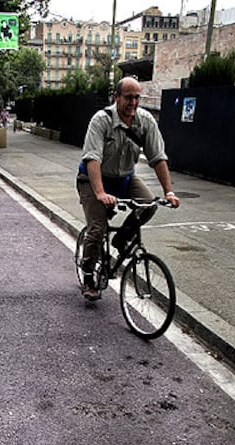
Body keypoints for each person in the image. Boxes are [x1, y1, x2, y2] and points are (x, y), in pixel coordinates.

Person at [77, 76, 180, 301]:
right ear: (116, 97)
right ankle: (87, 275)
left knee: (149, 205)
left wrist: (169, 192)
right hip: (92, 179)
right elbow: (92, 159)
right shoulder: (101, 120)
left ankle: (121, 238)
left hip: (124, 179)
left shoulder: (145, 121)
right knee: (97, 228)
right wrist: (100, 193)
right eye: (128, 97)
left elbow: (158, 158)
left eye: (137, 97)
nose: (133, 102)